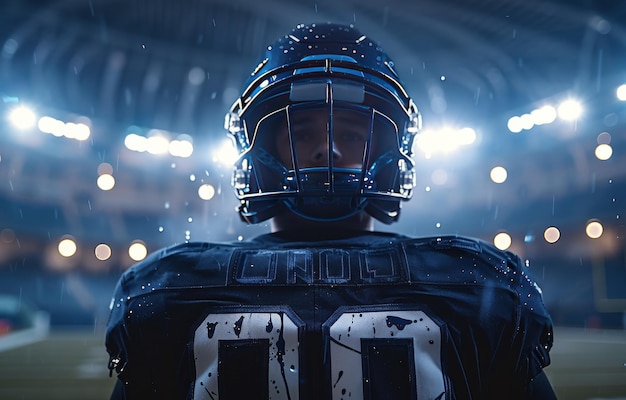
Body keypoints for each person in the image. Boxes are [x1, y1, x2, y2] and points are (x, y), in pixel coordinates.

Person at [105, 22, 556, 399]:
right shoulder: (478, 287)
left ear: (386, 149)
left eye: (354, 132)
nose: (327, 146)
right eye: (302, 133)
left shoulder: (166, 292)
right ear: (262, 152)